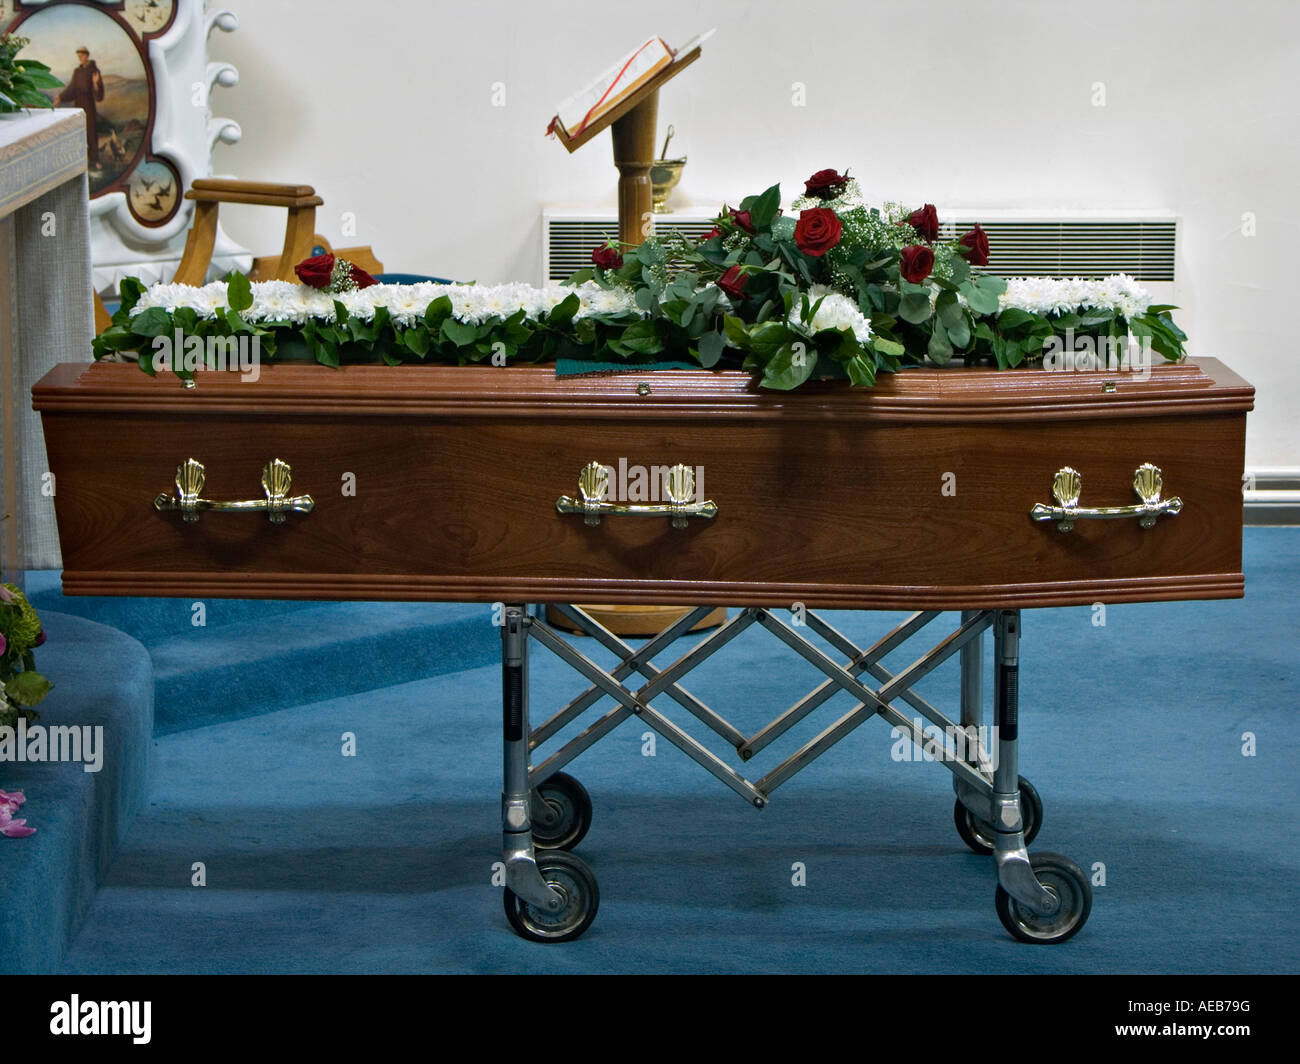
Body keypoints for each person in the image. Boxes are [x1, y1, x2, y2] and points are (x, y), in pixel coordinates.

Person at [56, 47, 105, 170]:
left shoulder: (94, 70)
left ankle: (95, 160)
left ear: (87, 56)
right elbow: (72, 88)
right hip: (78, 104)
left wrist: (95, 83)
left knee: (91, 132)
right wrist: (60, 97)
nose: (80, 58)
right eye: (78, 56)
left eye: (82, 55)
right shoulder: (77, 71)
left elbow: (99, 95)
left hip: (89, 105)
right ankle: (80, 160)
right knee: (79, 132)